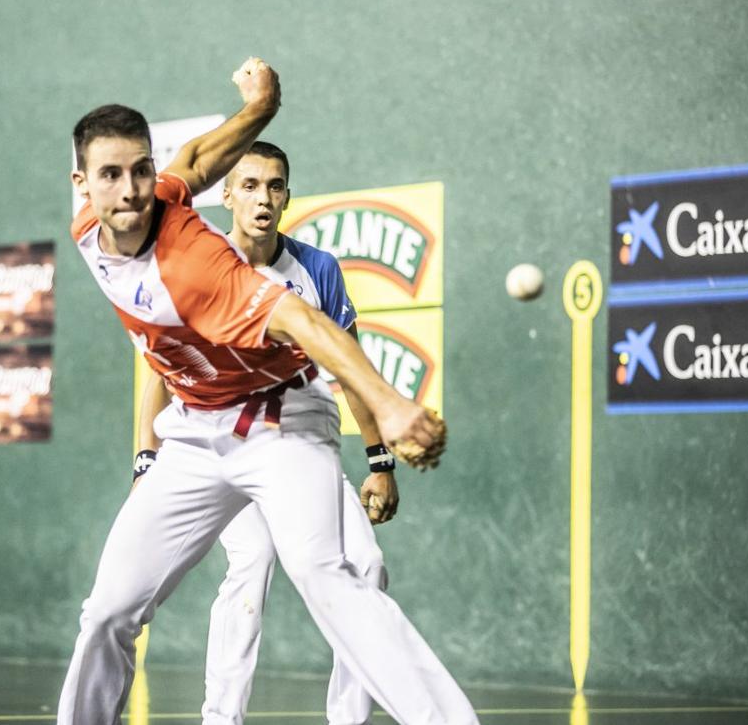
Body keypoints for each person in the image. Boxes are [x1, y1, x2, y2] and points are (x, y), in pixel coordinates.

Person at [59, 58, 477, 725]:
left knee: (326, 576)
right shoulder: (89, 225)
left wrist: (391, 406)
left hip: (280, 426)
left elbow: (307, 323)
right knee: (109, 608)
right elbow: (194, 160)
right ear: (82, 184)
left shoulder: (199, 266)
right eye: (112, 174)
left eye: (142, 171)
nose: (134, 188)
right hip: (194, 436)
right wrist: (259, 108)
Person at [134, 140, 440, 724]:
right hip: (220, 443)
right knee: (252, 559)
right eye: (248, 185)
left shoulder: (317, 269)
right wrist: (146, 463)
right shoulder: (199, 263)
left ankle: (347, 720)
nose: (263, 198)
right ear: (225, 194)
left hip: (296, 447)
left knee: (368, 566)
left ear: (288, 196)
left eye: (275, 186)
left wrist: (380, 462)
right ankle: (221, 718)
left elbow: (350, 367)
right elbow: (159, 370)